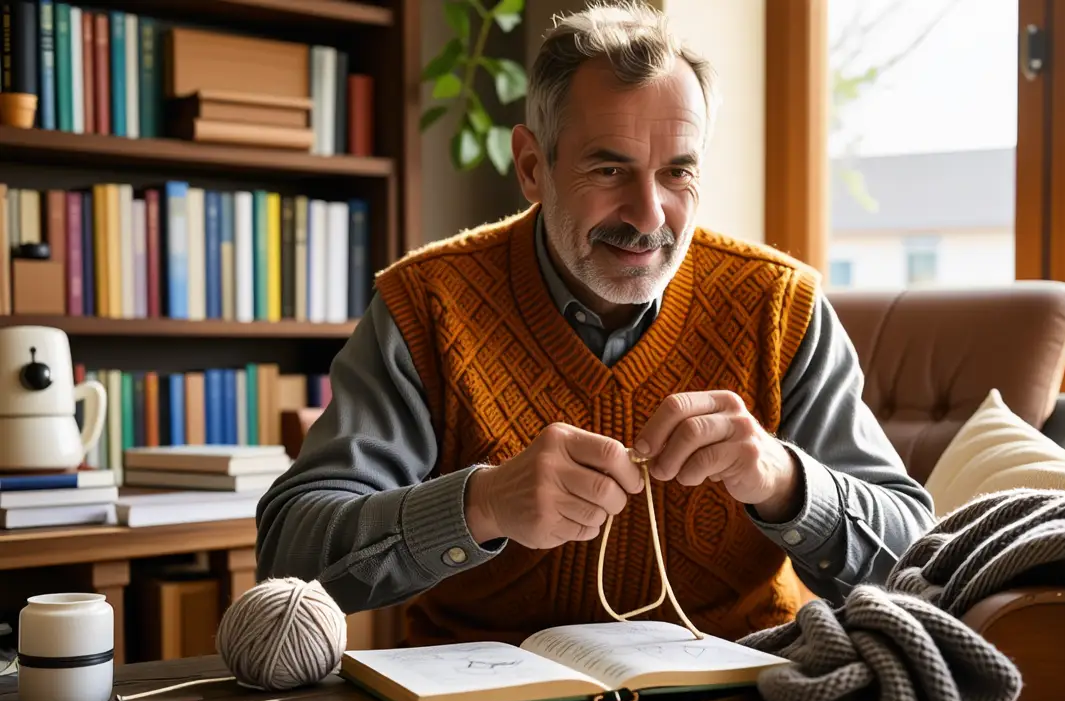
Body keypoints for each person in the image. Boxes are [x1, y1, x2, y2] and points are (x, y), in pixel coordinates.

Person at [255, 1, 934, 647]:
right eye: (609, 169)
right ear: (532, 166)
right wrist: (481, 504)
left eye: (677, 172)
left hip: (739, 694)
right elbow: (291, 552)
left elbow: (919, 559)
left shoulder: (781, 307)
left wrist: (785, 482)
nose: (649, 214)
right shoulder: (427, 305)